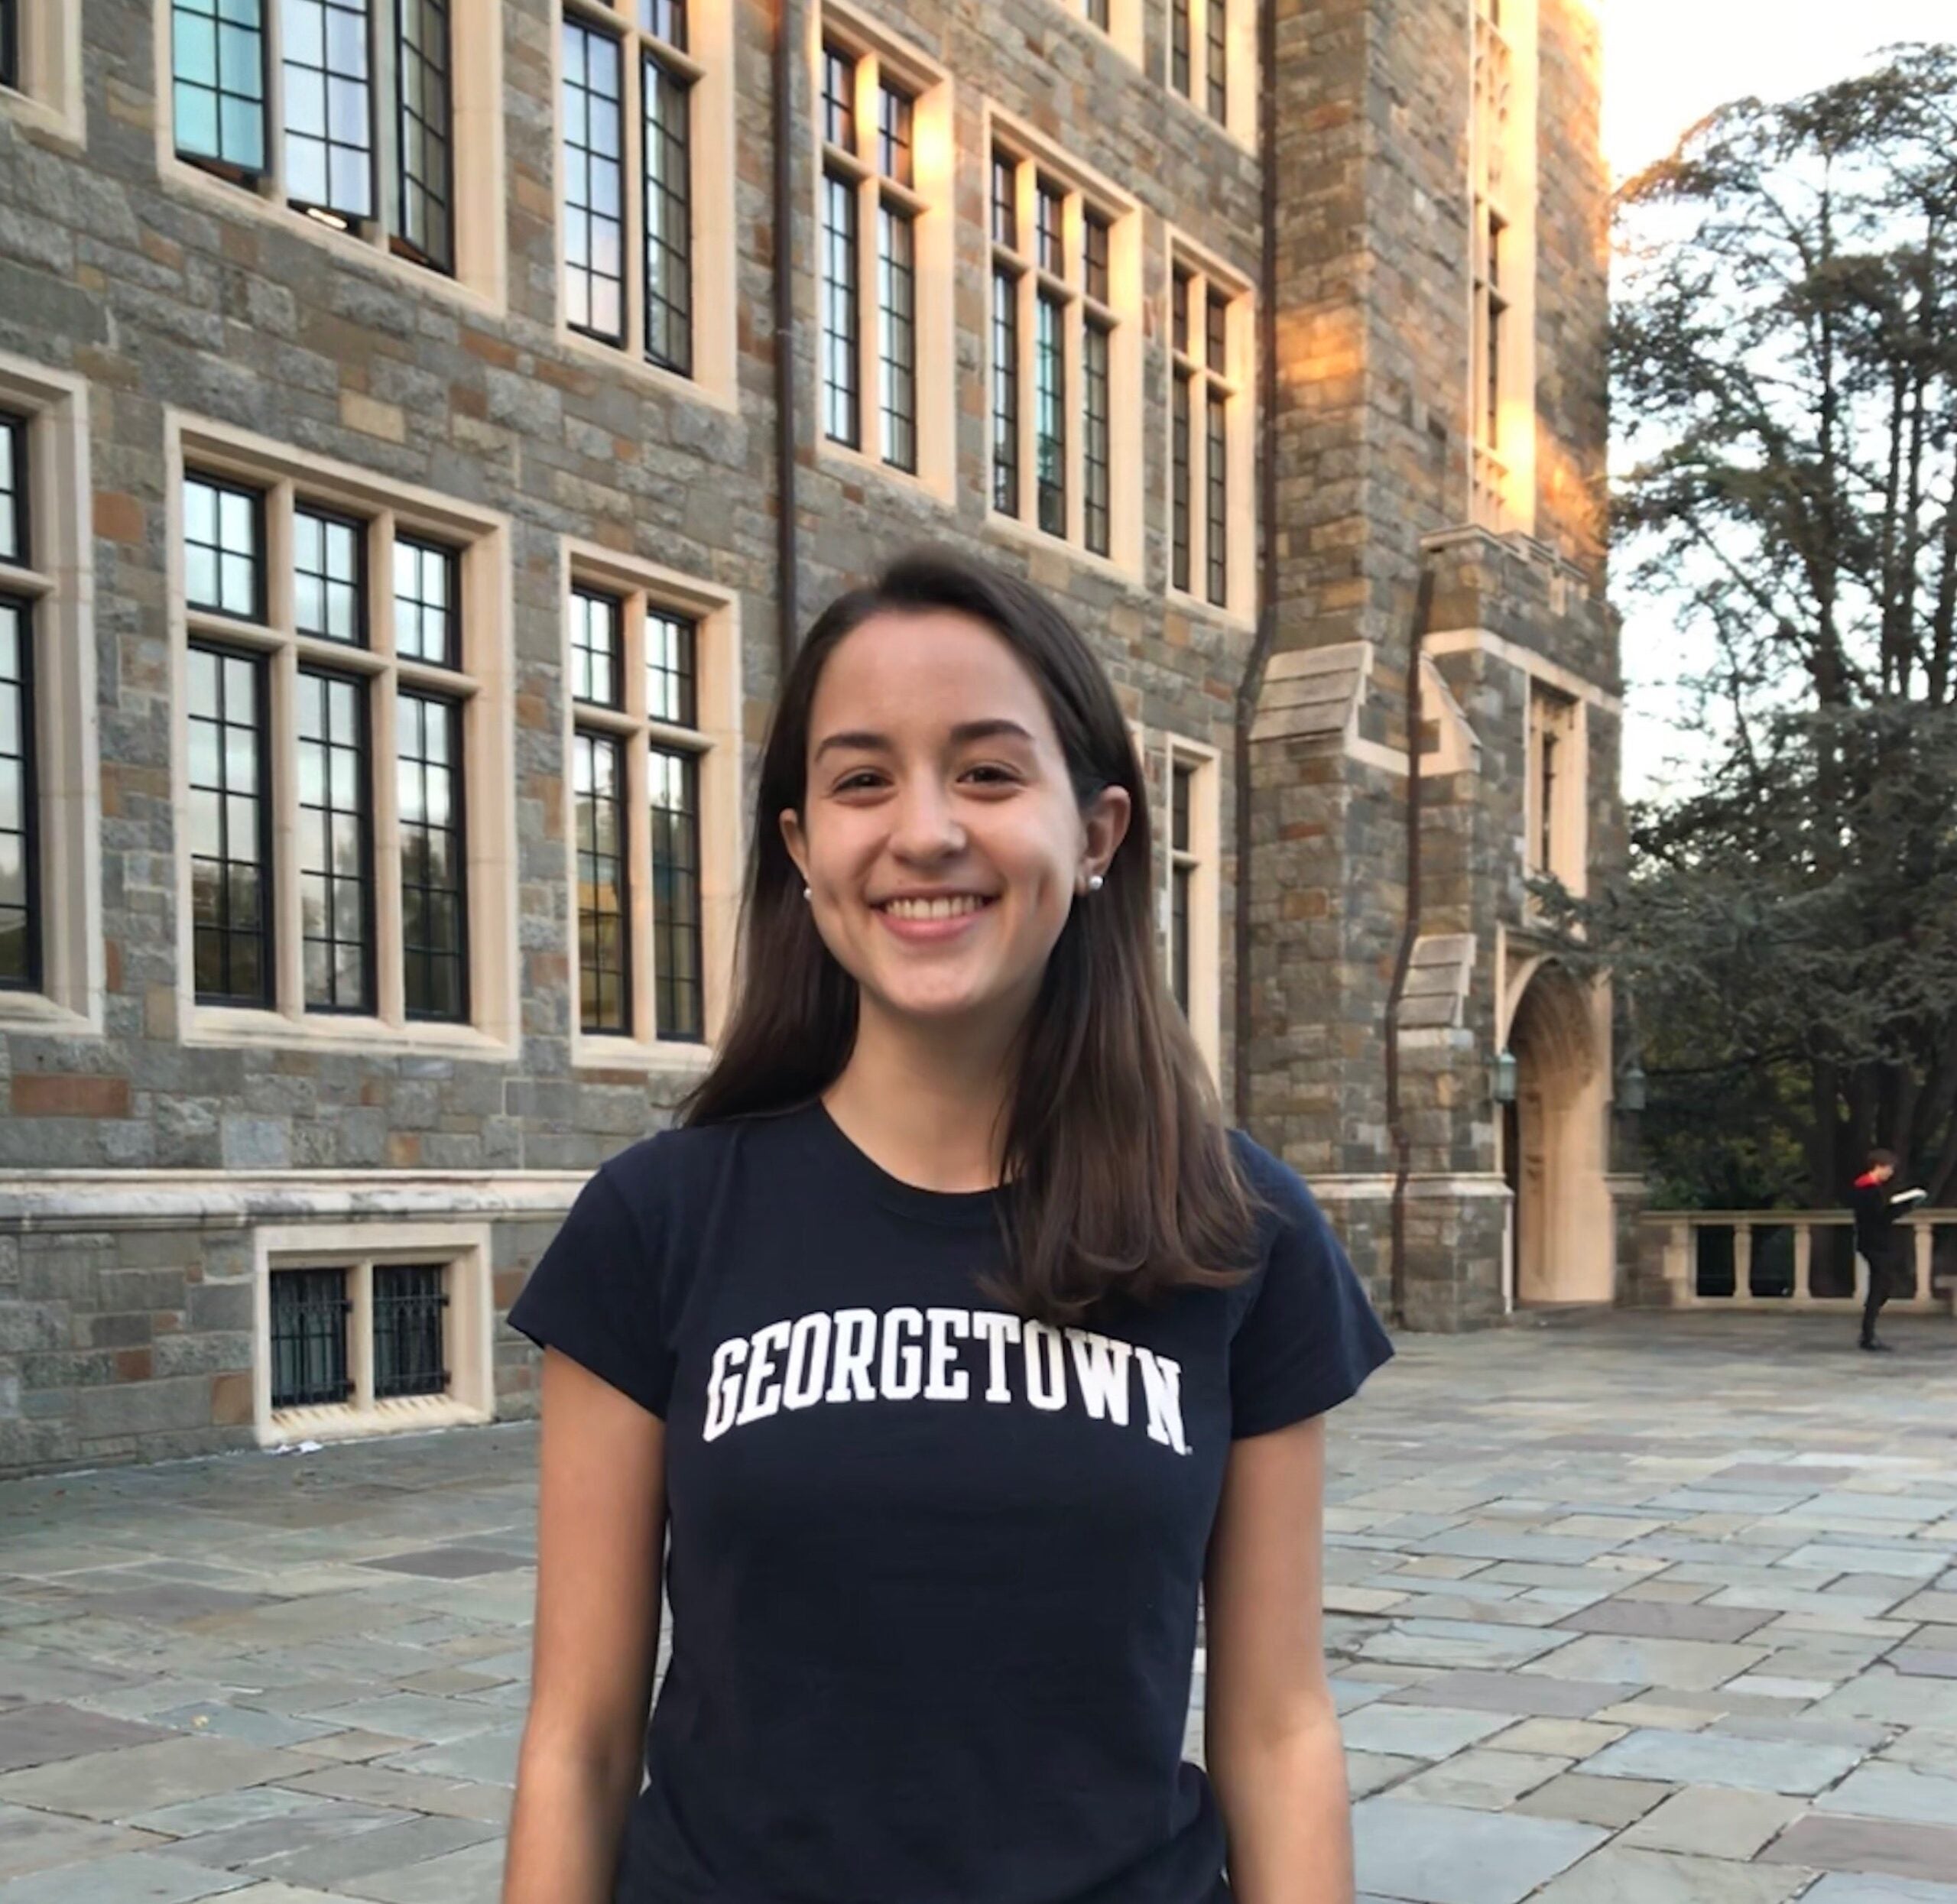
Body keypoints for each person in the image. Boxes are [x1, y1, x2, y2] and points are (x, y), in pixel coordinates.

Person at [501, 550, 1394, 1904]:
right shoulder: (656, 1223)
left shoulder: (1240, 1230)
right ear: (803, 849)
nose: (924, 830)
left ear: (1097, 835)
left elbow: (1276, 1725)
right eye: (863, 779)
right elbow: (579, 1737)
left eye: (986, 771)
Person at [1850, 1147, 1923, 1352]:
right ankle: (1868, 1334)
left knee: (1882, 1287)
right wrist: (1905, 1207)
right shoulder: (1869, 1189)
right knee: (1881, 1288)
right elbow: (1880, 1218)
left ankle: (1868, 1332)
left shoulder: (1863, 1187)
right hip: (1875, 1244)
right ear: (1879, 1166)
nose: (1890, 1173)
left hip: (1871, 1242)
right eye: (1889, 1168)